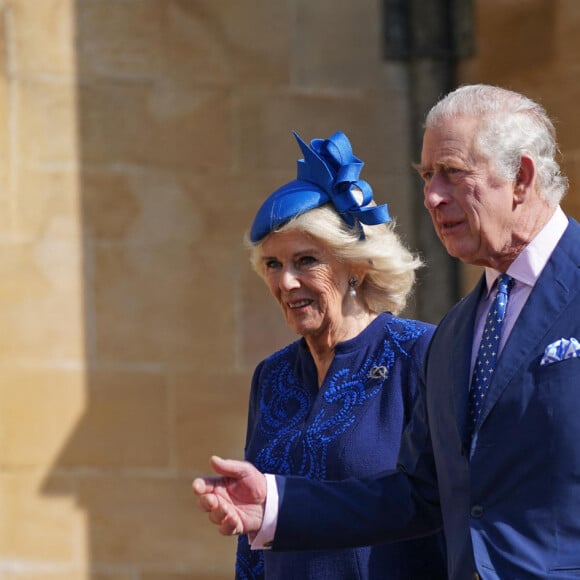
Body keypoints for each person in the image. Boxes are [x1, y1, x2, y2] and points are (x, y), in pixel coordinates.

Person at [193, 84, 580, 579]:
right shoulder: (458, 333)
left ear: (520, 178)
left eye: (453, 174)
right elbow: (418, 493)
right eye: (427, 176)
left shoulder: (420, 345)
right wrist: (273, 505)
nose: (432, 196)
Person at [233, 130, 447, 579]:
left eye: (306, 261)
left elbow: (451, 507)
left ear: (356, 266)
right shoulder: (271, 377)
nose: (286, 281)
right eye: (273, 264)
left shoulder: (420, 354)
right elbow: (252, 535)